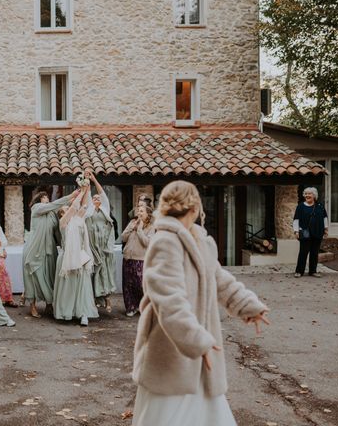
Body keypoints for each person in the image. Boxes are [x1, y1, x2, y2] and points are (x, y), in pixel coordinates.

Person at [131, 181, 270, 426]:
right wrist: (196, 341)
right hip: (170, 353)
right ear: (195, 208)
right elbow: (168, 301)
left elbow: (218, 279)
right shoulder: (165, 242)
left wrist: (249, 305)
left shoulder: (202, 241)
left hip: (201, 355)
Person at [23, 189, 76, 318]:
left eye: (47, 197)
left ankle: (49, 305)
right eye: (44, 197)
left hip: (50, 249)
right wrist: (70, 196)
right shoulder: (37, 208)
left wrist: (65, 246)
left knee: (50, 276)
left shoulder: (52, 214)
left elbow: (58, 232)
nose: (47, 198)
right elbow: (52, 205)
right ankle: (32, 306)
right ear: (39, 199)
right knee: (34, 277)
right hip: (35, 248)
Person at [53, 187, 99, 326]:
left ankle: (83, 313)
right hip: (66, 257)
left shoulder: (78, 220)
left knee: (82, 285)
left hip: (80, 256)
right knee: (69, 286)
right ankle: (67, 312)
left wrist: (87, 188)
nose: (69, 210)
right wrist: (81, 192)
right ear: (62, 213)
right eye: (65, 209)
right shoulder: (63, 223)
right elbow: (75, 207)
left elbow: (85, 206)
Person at [86, 173, 116, 313]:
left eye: (98, 198)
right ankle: (95, 300)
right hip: (92, 247)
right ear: (91, 201)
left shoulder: (105, 210)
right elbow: (86, 196)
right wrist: (86, 182)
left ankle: (108, 300)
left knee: (105, 273)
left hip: (104, 248)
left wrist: (94, 179)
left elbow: (102, 193)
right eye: (94, 198)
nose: (97, 198)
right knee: (93, 273)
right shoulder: (89, 211)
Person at [121, 204, 154, 317]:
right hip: (127, 257)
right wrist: (132, 228)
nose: (139, 213)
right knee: (128, 285)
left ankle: (143, 307)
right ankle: (131, 307)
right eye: (138, 211)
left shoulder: (151, 227)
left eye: (141, 211)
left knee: (140, 285)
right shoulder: (132, 223)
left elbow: (147, 243)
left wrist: (139, 230)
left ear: (148, 214)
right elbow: (123, 237)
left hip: (141, 259)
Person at [293, 187, 329, 278]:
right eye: (306, 194)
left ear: (314, 195)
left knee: (314, 252)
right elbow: (296, 219)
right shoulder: (300, 206)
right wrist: (296, 231)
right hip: (305, 233)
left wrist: (326, 229)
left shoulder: (319, 206)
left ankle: (313, 271)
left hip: (318, 232)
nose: (307, 195)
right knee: (303, 252)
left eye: (309, 194)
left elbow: (325, 218)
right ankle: (299, 271)